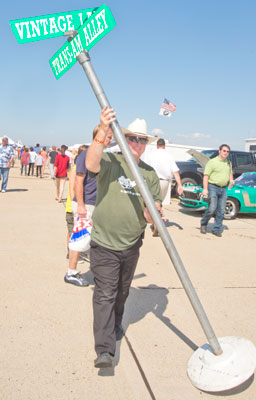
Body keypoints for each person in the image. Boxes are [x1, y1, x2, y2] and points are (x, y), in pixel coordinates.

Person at [85, 107, 162, 368]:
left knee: (121, 292)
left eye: (142, 140)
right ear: (124, 139)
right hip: (104, 243)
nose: (137, 143)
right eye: (133, 138)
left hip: (131, 244)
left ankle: (116, 323)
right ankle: (104, 350)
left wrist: (154, 214)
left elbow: (151, 212)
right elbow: (90, 164)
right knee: (105, 293)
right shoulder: (111, 161)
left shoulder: (150, 174)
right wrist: (103, 128)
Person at [64, 127, 113, 287]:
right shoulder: (86, 154)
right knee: (80, 238)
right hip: (87, 204)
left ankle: (97, 271)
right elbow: (79, 180)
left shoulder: (103, 155)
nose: (111, 140)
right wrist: (81, 206)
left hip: (96, 204)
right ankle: (71, 272)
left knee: (92, 239)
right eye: (109, 136)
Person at [200, 144, 234, 237]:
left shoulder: (228, 163)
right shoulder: (212, 162)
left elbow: (230, 173)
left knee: (221, 210)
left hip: (223, 188)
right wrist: (205, 189)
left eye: (227, 151)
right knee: (212, 208)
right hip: (213, 187)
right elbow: (206, 176)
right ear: (219, 151)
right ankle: (203, 223)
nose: (226, 153)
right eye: (224, 151)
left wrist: (231, 180)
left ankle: (217, 229)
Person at [145, 138, 183, 202]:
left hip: (152, 182)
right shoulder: (169, 156)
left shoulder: (151, 155)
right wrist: (179, 185)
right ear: (164, 146)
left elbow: (145, 168)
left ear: (157, 146)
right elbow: (175, 172)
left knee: (150, 202)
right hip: (164, 183)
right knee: (159, 203)